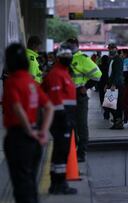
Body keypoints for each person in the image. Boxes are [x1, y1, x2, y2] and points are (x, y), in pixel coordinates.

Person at [3, 43, 54, 203]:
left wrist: (27, 130)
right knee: (31, 180)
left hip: (18, 137)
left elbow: (17, 108)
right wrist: (42, 131)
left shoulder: (12, 81)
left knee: (21, 184)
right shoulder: (31, 82)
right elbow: (49, 107)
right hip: (34, 139)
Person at [41, 43, 78, 195]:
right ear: (59, 58)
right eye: (65, 56)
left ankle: (57, 182)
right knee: (60, 151)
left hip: (64, 116)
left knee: (60, 151)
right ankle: (58, 184)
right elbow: (56, 98)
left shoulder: (63, 72)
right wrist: (64, 118)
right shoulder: (57, 74)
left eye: (70, 56)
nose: (68, 58)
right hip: (61, 118)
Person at [66, 38, 102, 162]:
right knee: (71, 125)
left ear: (76, 45)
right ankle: (72, 150)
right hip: (67, 96)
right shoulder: (66, 58)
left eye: (70, 45)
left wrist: (85, 87)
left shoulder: (82, 59)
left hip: (79, 96)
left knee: (81, 125)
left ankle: (81, 152)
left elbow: (98, 74)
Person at [106, 43, 124, 129]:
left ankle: (118, 122)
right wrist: (107, 84)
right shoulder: (111, 59)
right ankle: (116, 121)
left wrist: (113, 84)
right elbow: (110, 73)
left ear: (116, 49)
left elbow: (118, 73)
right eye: (109, 49)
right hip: (111, 84)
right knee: (110, 104)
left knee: (116, 105)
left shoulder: (118, 60)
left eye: (112, 48)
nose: (110, 50)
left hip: (117, 85)